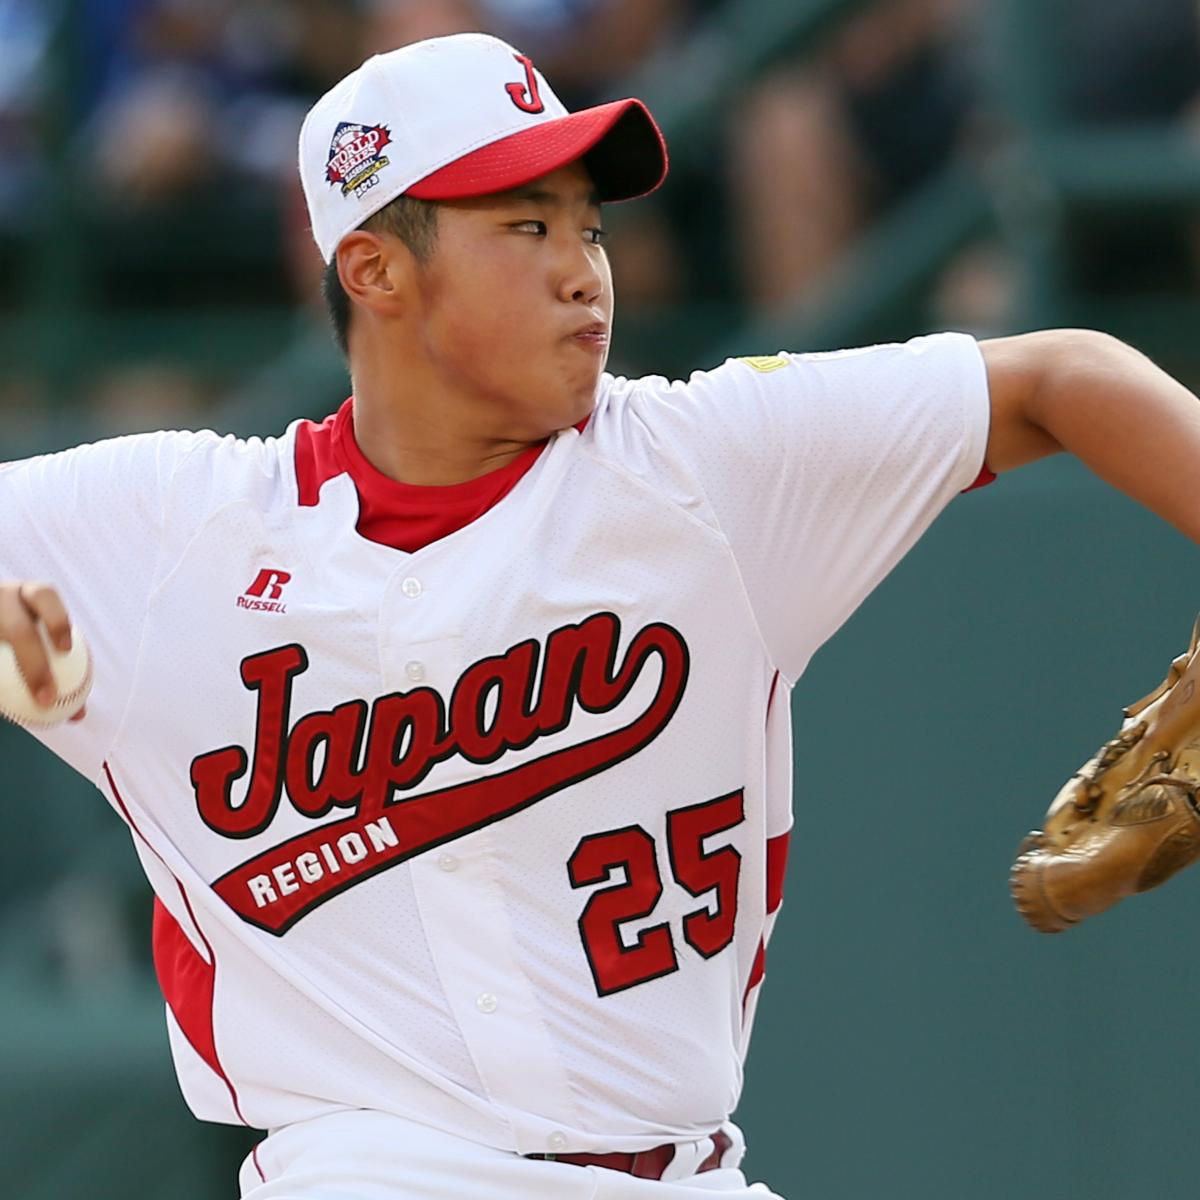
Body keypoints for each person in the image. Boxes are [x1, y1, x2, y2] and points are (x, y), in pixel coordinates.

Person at [3, 31, 1200, 1200]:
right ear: (373, 268)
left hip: (690, 1165)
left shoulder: (705, 471)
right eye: (526, 225)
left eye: (589, 224)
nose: (584, 267)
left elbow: (1061, 380)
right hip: (363, 1168)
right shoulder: (167, 533)